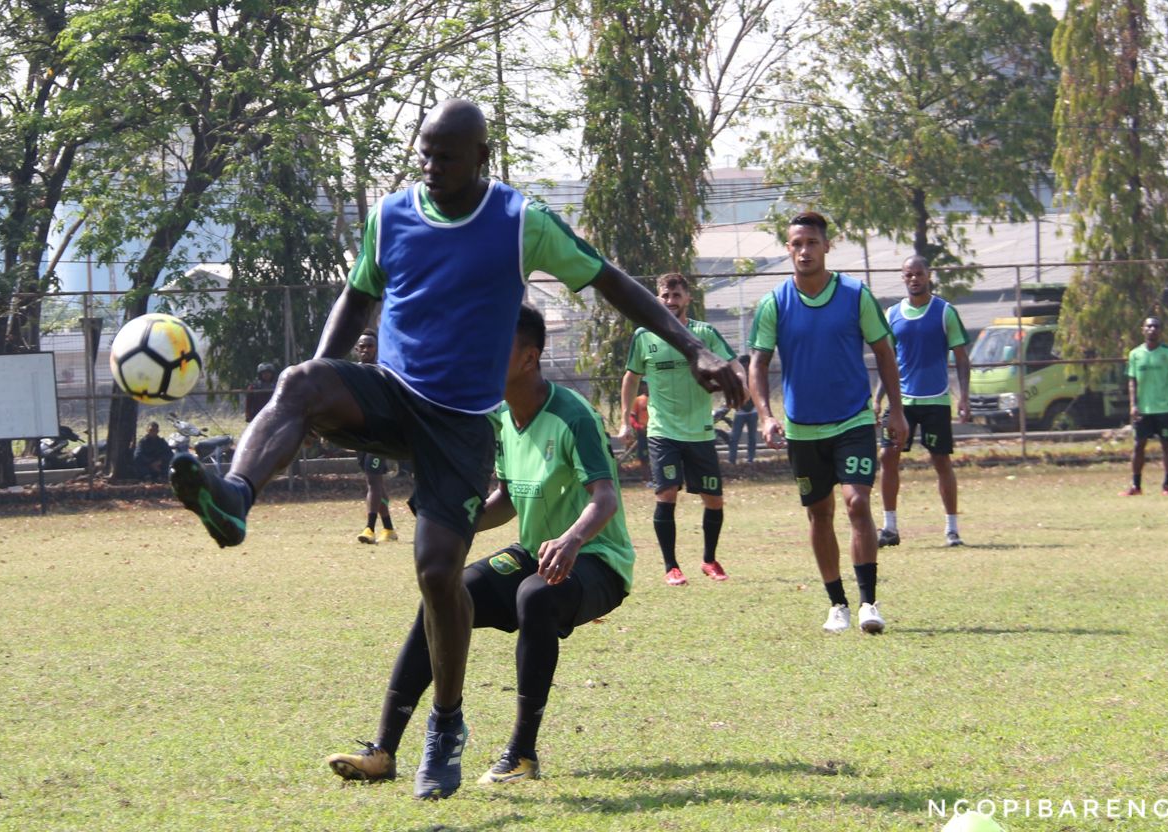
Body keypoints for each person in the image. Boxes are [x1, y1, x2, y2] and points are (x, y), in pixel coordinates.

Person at [167, 100, 743, 800]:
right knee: (298, 381)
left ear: (481, 158)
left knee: (438, 573)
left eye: (446, 155)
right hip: (393, 392)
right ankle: (234, 498)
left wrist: (692, 348)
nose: (431, 167)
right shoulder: (391, 216)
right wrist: (327, 379)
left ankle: (445, 727)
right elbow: (356, 299)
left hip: (463, 423)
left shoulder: (518, 222)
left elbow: (610, 281)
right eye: (424, 153)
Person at [326, 304, 634, 788]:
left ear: (529, 358)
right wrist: (448, 519)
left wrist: (573, 539)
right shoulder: (504, 419)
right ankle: (383, 750)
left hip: (597, 560)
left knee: (535, 595)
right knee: (446, 591)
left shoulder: (573, 415)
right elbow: (508, 500)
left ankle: (522, 754)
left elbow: (606, 498)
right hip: (536, 551)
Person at [749, 211, 907, 635]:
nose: (804, 251)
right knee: (819, 514)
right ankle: (836, 604)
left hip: (853, 421)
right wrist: (766, 416)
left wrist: (897, 409)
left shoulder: (855, 295)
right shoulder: (773, 303)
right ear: (788, 249)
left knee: (857, 503)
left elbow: (884, 353)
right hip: (802, 429)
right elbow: (758, 364)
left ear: (826, 247)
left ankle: (868, 603)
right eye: (797, 244)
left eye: (812, 243)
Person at [619, 274, 743, 586]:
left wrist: (742, 388)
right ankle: (671, 567)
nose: (671, 301)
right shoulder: (644, 336)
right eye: (665, 295)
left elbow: (735, 365)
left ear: (688, 298)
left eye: (676, 295)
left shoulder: (705, 334)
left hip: (700, 431)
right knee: (666, 494)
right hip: (663, 431)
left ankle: (709, 560)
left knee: (714, 499)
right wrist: (625, 420)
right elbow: (631, 378)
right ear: (657, 299)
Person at [874, 255, 972, 548]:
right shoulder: (892, 315)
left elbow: (962, 358)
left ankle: (952, 530)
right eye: (909, 274)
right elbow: (887, 361)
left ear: (928, 275)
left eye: (919, 273)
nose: (914, 279)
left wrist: (964, 396)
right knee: (887, 456)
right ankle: (889, 528)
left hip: (936, 401)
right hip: (900, 402)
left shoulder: (944, 312)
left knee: (940, 460)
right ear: (903, 278)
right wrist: (879, 399)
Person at [1123, 316, 1168, 496]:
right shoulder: (1135, 354)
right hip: (1144, 409)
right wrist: (1133, 404)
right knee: (1138, 446)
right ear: (1143, 329)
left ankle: (1166, 485)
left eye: (1156, 326)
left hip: (1165, 408)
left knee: (1166, 445)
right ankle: (1136, 486)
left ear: (1160, 331)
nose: (1152, 329)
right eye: (1149, 326)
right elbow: (1132, 381)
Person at [352, 329, 397, 544]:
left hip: (379, 435)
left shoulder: (383, 370)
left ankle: (369, 528)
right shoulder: (353, 374)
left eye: (369, 345)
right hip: (360, 436)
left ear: (377, 348)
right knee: (375, 482)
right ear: (356, 350)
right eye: (362, 346)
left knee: (372, 480)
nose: (365, 349)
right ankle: (388, 529)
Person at [728, 355, 759, 465]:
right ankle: (732, 460)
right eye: (743, 366)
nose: (745, 368)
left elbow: (758, 394)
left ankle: (750, 459)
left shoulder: (754, 377)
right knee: (734, 437)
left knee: (752, 437)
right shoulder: (737, 378)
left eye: (747, 366)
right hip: (740, 412)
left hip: (753, 411)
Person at [627, 382, 650, 468]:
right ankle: (647, 479)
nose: (646, 387)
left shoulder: (657, 399)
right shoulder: (638, 400)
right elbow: (632, 417)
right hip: (643, 433)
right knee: (644, 457)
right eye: (645, 385)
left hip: (657, 432)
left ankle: (657, 478)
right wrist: (638, 426)